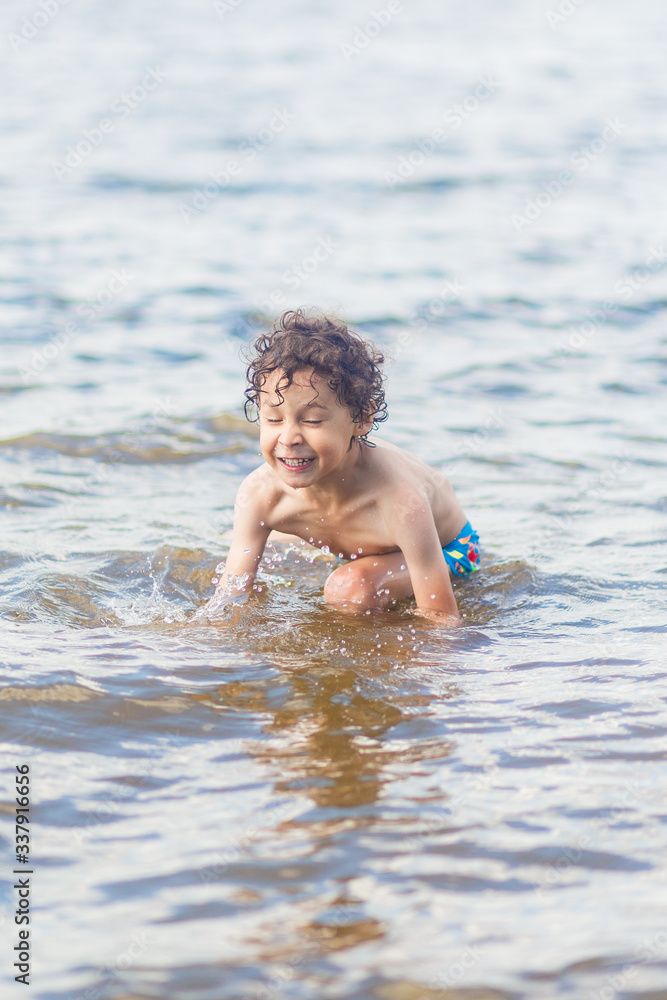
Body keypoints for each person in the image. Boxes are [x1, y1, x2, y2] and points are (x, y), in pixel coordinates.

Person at [205, 309, 480, 622]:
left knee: (350, 589)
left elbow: (441, 617)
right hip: (363, 537)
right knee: (231, 548)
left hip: (452, 551)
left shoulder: (400, 501)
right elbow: (231, 597)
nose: (289, 437)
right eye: (273, 419)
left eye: (312, 420)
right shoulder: (260, 495)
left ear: (362, 418)